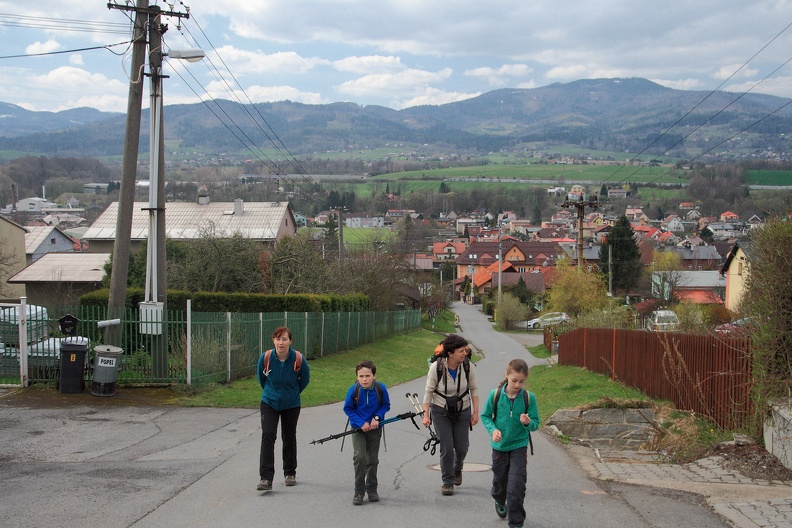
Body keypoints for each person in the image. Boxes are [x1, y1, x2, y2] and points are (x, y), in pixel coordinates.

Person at [480, 359, 540, 528]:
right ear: (506, 375)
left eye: (522, 381)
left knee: (516, 485)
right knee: (500, 481)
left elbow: (536, 424)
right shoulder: (495, 395)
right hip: (500, 447)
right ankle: (499, 499)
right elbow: (485, 417)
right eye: (514, 380)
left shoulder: (529, 398)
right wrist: (493, 431)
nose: (518, 385)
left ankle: (516, 522)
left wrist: (528, 422)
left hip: (519, 446)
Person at [422, 333, 479, 496]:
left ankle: (457, 468)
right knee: (447, 447)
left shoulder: (468, 366)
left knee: (462, 447)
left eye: (465, 350)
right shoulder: (437, 367)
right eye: (461, 351)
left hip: (463, 409)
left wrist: (475, 412)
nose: (464, 353)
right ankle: (447, 482)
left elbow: (474, 388)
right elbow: (429, 391)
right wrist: (426, 414)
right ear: (450, 352)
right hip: (440, 410)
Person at [256, 326, 310, 492]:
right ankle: (265, 478)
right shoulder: (265, 357)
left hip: (291, 404)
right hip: (269, 402)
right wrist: (272, 393)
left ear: (290, 341)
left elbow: (304, 380)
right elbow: (261, 379)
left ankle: (290, 473)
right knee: (268, 435)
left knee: (288, 437)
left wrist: (291, 393)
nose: (281, 342)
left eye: (284, 339)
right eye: (278, 339)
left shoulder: (298, 359)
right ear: (273, 340)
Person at [342, 360, 391, 506]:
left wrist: (377, 418)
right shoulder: (353, 390)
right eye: (361, 376)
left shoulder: (380, 388)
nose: (364, 379)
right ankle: (359, 490)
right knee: (359, 457)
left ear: (374, 376)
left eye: (367, 376)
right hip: (358, 428)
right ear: (357, 376)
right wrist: (361, 423)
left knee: (372, 459)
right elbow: (348, 409)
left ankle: (372, 489)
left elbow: (385, 406)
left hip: (375, 428)